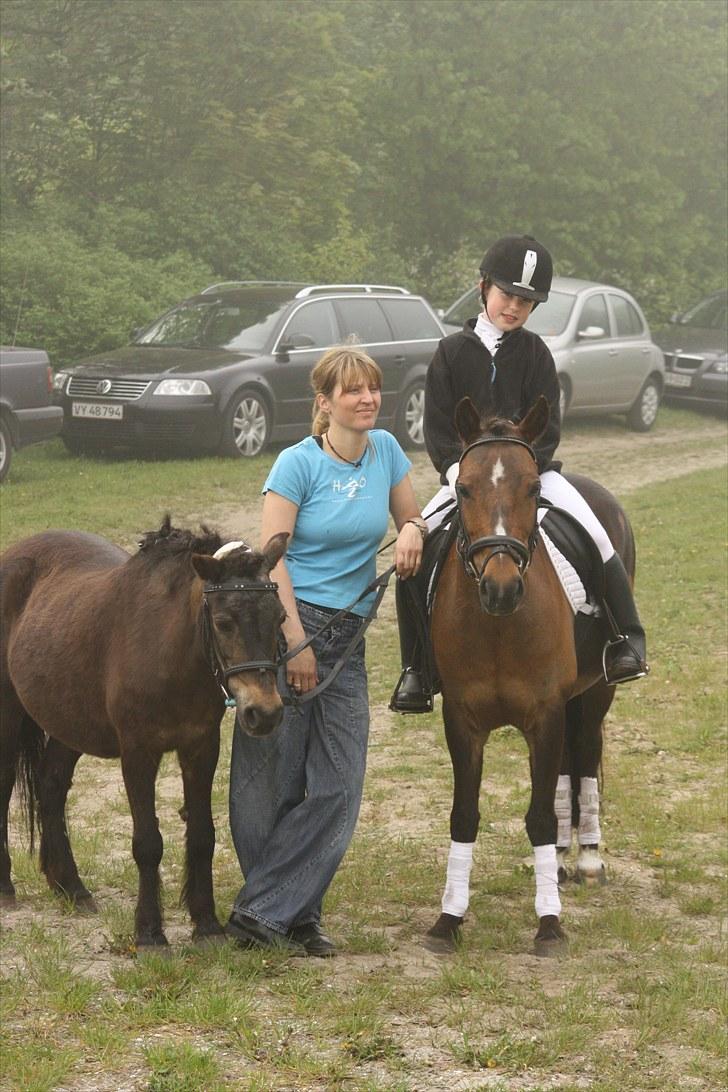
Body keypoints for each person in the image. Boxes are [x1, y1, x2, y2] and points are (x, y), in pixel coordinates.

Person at [390, 233, 649, 713]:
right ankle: (416, 669)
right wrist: (457, 474)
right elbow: (439, 430)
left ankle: (625, 638)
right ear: (483, 287)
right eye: (507, 294)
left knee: (596, 533)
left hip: (533, 475)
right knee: (416, 554)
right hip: (464, 479)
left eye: (526, 301)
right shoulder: (450, 353)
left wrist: (529, 469)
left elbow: (546, 428)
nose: (514, 306)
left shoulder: (536, 354)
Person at [226, 345, 427, 956]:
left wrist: (414, 528)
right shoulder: (296, 465)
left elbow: (411, 515)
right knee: (272, 782)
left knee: (338, 783)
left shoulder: (386, 451)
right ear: (325, 402)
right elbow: (272, 559)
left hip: (350, 636)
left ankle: (268, 910)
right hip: (291, 629)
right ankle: (293, 915)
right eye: (353, 391)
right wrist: (292, 643)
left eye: (372, 389)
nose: (367, 399)